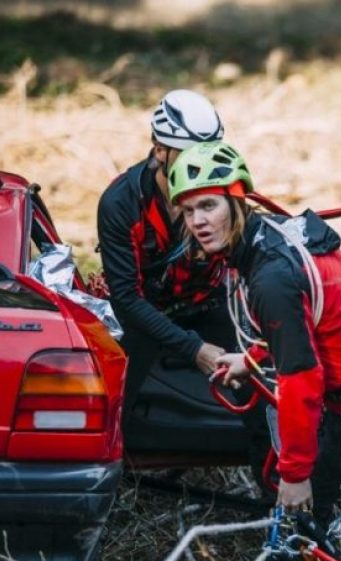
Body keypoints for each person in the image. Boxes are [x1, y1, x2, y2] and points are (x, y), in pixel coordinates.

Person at [168, 141, 341, 553]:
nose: (198, 221)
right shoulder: (269, 234)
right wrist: (251, 360)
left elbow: (301, 378)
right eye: (189, 210)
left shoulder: (269, 278)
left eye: (209, 206)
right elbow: (306, 323)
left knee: (310, 498)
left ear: (237, 200)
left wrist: (295, 473)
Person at [96, 89, 231, 419]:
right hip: (142, 311)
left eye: (208, 152)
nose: (200, 165)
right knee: (115, 397)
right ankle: (124, 466)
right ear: (159, 150)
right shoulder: (121, 202)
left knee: (263, 373)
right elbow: (127, 297)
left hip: (205, 300)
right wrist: (193, 349)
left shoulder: (223, 187)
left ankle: (271, 465)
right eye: (187, 154)